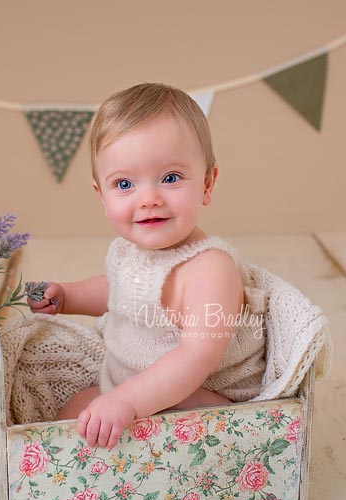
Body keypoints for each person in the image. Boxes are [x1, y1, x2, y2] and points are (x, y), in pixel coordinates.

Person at [27, 83, 266, 451]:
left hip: (203, 398)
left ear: (206, 183)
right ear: (102, 197)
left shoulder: (209, 268)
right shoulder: (128, 251)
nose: (149, 199)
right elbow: (122, 290)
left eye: (170, 178)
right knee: (71, 417)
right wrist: (70, 296)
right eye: (124, 184)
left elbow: (196, 357)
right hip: (131, 384)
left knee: (135, 419)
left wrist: (126, 402)